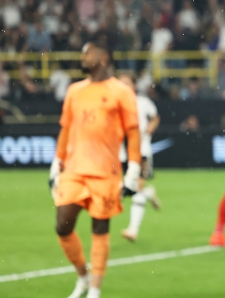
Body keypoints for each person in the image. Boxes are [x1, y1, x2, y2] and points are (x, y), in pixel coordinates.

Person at [48, 36, 141, 298]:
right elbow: (65, 130)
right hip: (74, 170)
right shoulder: (74, 90)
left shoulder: (122, 91)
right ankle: (82, 276)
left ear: (103, 58)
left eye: (87, 53)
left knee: (100, 228)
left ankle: (95, 291)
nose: (82, 58)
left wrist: (133, 169)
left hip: (106, 171)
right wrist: (57, 162)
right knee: (62, 225)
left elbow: (133, 133)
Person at [118, 73, 162, 242]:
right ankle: (149, 193)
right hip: (122, 153)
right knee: (130, 186)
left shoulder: (142, 103)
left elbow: (155, 117)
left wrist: (151, 127)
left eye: (126, 83)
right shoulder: (114, 104)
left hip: (141, 151)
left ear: (133, 86)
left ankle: (133, 229)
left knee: (136, 186)